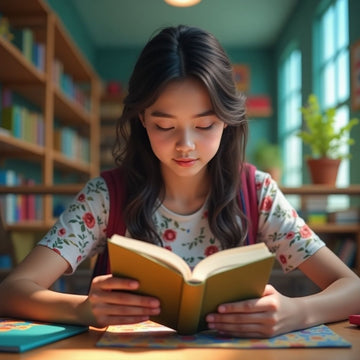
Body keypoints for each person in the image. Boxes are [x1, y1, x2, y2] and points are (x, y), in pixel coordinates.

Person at [1, 25, 360, 339]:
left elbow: (353, 289)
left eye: (205, 125)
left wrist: (295, 313)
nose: (185, 144)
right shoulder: (105, 197)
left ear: (227, 121)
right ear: (142, 119)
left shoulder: (257, 192)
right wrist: (81, 309)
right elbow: (13, 290)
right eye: (164, 125)